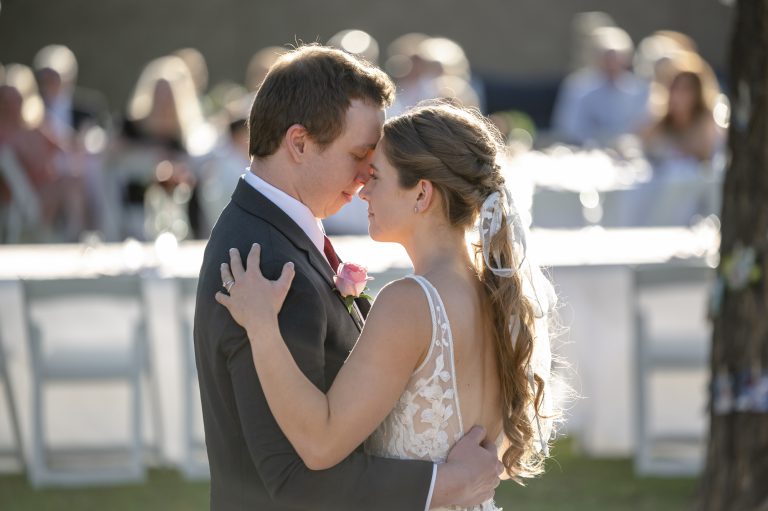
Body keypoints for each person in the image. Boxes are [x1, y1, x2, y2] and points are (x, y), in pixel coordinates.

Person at [193, 45, 503, 511]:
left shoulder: (280, 236)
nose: (365, 177)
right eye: (360, 155)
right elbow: (295, 477)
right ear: (298, 143)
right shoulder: (266, 264)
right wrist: (449, 484)